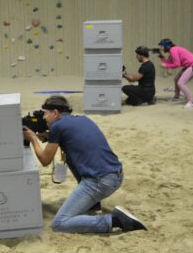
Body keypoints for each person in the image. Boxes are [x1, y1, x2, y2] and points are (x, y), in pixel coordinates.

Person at [22, 95, 147, 234]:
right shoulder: (83, 119)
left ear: (55, 113)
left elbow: (45, 160)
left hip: (100, 181)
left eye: (45, 113)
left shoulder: (58, 127)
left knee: (60, 224)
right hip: (116, 175)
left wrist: (33, 138)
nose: (44, 118)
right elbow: (76, 140)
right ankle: (94, 205)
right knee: (81, 160)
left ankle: (117, 221)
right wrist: (49, 136)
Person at [156, 38, 193, 109]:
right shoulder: (172, 50)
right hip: (190, 65)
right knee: (176, 79)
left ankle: (192, 101)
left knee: (181, 83)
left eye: (161, 46)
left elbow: (176, 64)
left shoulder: (173, 50)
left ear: (166, 46)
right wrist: (161, 57)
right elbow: (169, 62)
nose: (160, 48)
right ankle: (177, 96)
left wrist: (166, 66)